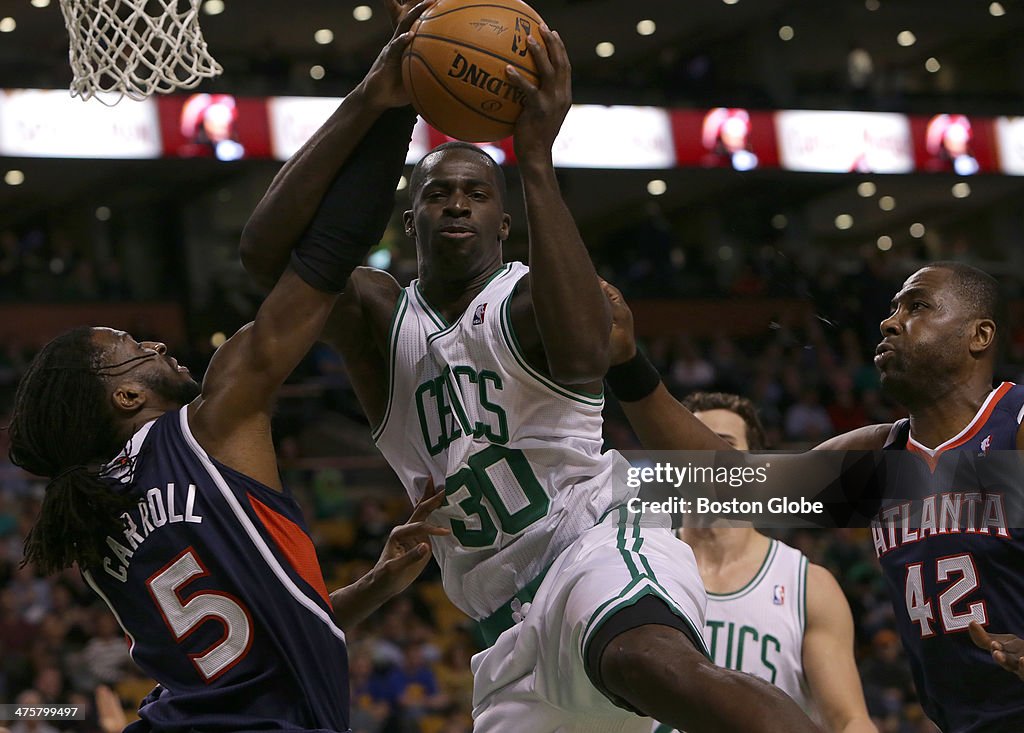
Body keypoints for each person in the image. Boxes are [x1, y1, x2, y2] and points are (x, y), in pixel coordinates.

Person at [240, 7, 821, 733]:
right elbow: (268, 258)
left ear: (504, 222)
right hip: (501, 622)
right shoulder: (377, 315)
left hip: (596, 542)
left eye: (477, 192)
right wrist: (379, 98)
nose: (456, 201)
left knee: (651, 662)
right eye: (437, 192)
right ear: (410, 218)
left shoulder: (525, 297)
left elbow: (584, 358)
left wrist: (534, 157)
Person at [6, 5, 448, 731]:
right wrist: (385, 99)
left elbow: (239, 656)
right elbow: (328, 254)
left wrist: (372, 584)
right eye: (132, 347)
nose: (156, 346)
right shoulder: (211, 421)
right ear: (122, 392)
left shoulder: (96, 523)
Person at [600, 263, 1024, 733]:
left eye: (917, 306)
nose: (890, 321)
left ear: (979, 335)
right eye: (893, 307)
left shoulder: (1014, 428)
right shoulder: (882, 460)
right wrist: (627, 364)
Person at [651, 392, 875, 733]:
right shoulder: (639, 568)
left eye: (722, 445)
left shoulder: (807, 585)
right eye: (689, 444)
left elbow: (849, 720)